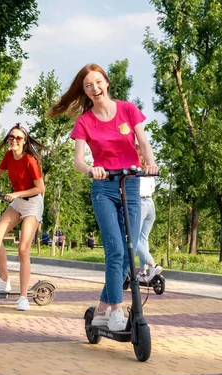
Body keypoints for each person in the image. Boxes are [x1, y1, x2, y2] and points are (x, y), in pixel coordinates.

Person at [48, 63, 158, 331]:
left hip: (130, 184)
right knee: (116, 250)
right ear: (84, 92)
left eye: (98, 82)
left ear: (106, 83)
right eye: (88, 86)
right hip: (104, 187)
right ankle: (116, 311)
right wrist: (91, 169)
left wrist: (151, 163)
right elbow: (77, 161)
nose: (94, 88)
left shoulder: (128, 110)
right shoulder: (84, 121)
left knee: (129, 250)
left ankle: (101, 309)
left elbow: (142, 142)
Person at [0, 123, 47, 311]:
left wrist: (15, 194)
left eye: (18, 138)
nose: (14, 140)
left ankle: (23, 298)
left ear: (24, 141)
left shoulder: (31, 160)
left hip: (32, 204)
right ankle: (4, 280)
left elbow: (40, 188)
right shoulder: (8, 156)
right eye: (11, 137)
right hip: (18, 202)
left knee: (23, 249)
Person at [135, 147, 163, 283]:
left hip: (139, 203)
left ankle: (153, 265)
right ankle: (142, 272)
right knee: (143, 239)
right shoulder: (150, 172)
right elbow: (153, 188)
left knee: (133, 238)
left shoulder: (136, 171)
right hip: (151, 203)